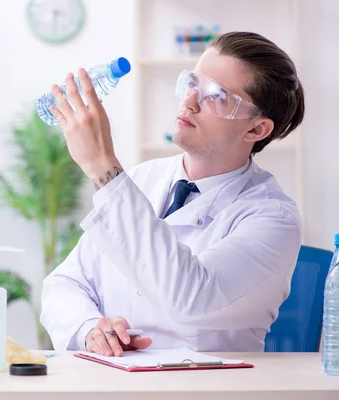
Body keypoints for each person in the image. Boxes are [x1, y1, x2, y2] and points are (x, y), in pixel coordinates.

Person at [40, 31, 305, 357]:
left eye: (216, 95)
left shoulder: (273, 218)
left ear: (255, 129)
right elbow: (65, 283)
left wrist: (102, 167)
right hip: (115, 382)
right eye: (193, 83)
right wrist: (89, 329)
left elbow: (191, 299)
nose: (190, 101)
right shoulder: (141, 179)